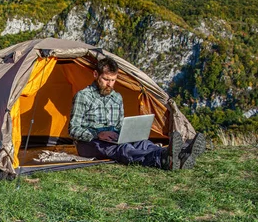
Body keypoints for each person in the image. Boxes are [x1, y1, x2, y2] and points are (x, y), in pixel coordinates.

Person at [68, 57, 205, 170]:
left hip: (114, 138)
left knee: (142, 143)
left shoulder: (117, 98)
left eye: (113, 80)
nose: (109, 84)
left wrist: (127, 132)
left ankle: (179, 154)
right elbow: (73, 129)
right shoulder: (83, 96)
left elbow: (119, 124)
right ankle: (163, 160)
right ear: (96, 75)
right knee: (124, 148)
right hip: (89, 143)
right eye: (106, 79)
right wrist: (98, 134)